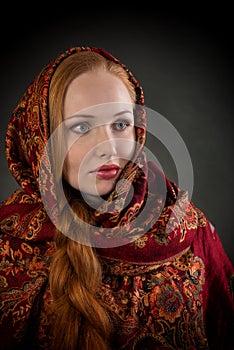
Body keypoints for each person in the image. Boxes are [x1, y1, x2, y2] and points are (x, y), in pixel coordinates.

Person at [0, 46, 233, 350]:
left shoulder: (189, 231)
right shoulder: (8, 244)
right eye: (81, 127)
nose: (107, 147)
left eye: (121, 125)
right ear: (42, 137)